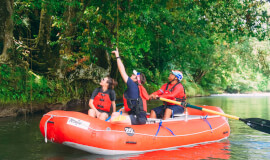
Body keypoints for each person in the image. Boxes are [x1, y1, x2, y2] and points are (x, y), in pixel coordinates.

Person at [110, 47, 149, 125]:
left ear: (135, 80)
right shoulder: (135, 87)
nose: (131, 75)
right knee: (114, 114)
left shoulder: (132, 85)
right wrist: (124, 109)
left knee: (113, 119)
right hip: (134, 114)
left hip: (138, 117)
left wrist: (117, 56)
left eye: (133, 75)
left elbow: (122, 70)